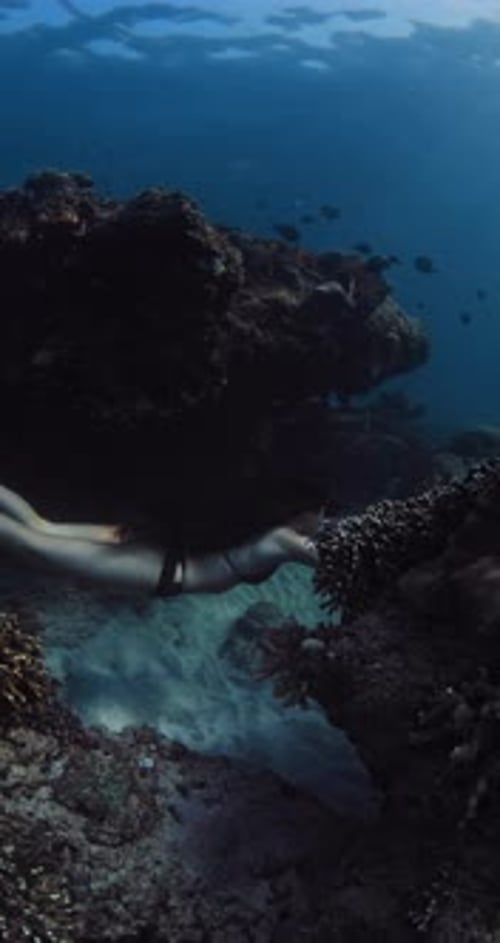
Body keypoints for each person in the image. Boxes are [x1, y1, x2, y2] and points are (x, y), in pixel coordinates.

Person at [0, 483, 320, 597]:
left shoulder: (258, 522)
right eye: (322, 513)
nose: (322, 522)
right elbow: (326, 558)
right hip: (161, 569)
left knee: (40, 526)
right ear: (303, 512)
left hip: (157, 547)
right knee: (32, 544)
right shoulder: (282, 538)